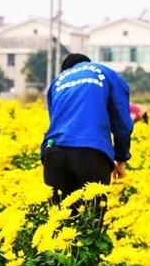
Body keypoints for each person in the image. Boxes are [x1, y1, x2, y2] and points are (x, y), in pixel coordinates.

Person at [41, 53, 134, 208]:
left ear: (66, 70)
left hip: (54, 153)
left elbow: (55, 122)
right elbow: (122, 121)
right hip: (91, 153)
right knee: (91, 221)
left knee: (58, 223)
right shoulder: (105, 73)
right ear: (87, 64)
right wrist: (121, 157)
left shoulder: (57, 82)